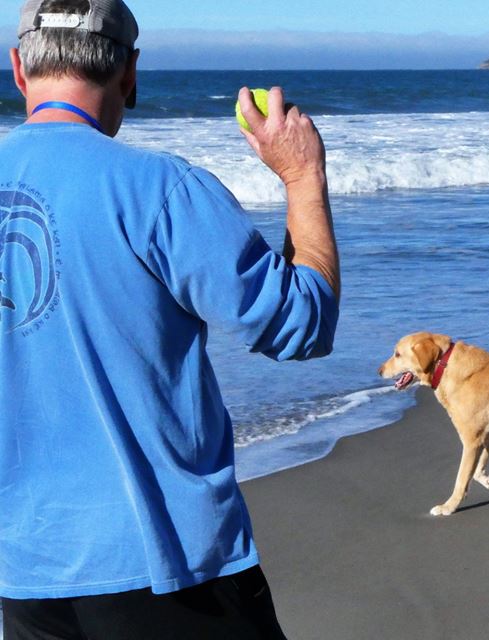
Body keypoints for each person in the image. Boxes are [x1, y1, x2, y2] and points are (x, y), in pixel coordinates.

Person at [0, 0, 340, 637]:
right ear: (129, 73)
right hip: (167, 566)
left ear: (19, 68)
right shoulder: (160, 189)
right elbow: (302, 323)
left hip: (23, 573)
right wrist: (302, 176)